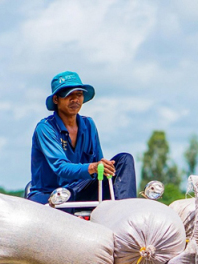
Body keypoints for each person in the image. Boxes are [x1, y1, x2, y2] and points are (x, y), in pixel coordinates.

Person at [27, 71, 136, 204]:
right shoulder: (46, 128)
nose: (75, 100)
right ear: (56, 99)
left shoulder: (88, 124)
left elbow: (99, 164)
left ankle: (125, 208)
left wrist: (105, 167)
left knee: (124, 159)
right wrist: (93, 167)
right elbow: (61, 168)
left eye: (79, 94)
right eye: (69, 95)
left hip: (81, 190)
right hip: (51, 194)